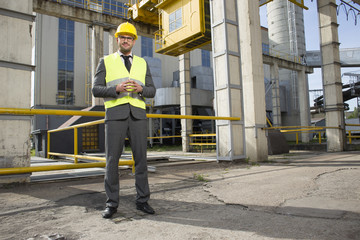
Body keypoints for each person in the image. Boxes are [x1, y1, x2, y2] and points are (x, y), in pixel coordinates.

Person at [92, 22, 156, 218]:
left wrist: (141, 89)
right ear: (117, 39)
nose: (126, 40)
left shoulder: (142, 63)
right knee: (112, 161)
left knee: (141, 160)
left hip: (137, 116)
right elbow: (96, 89)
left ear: (133, 41)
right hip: (115, 115)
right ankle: (111, 204)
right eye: (122, 37)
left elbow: (152, 90)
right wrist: (116, 89)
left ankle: (142, 201)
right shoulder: (105, 61)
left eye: (129, 38)